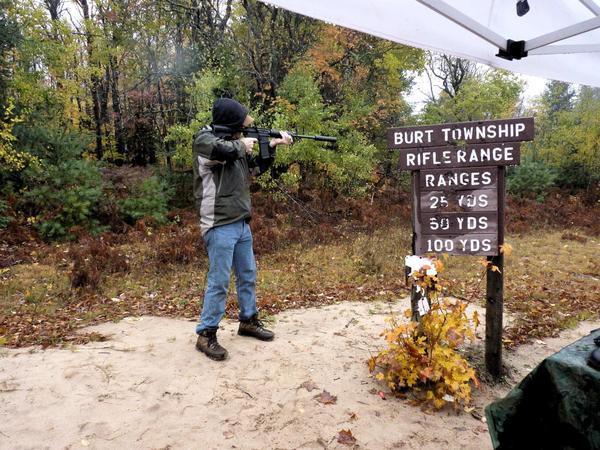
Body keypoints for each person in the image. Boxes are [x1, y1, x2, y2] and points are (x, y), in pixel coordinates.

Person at [192, 97, 293, 361]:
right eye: (240, 125)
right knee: (219, 281)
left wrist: (270, 146)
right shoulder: (204, 140)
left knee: (247, 274)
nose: (242, 129)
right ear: (230, 123)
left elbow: (257, 169)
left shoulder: (235, 146)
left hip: (240, 221)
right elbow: (221, 150)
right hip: (218, 221)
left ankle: (248, 320)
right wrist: (241, 144)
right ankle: (206, 334)